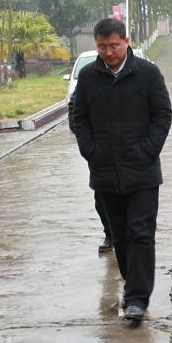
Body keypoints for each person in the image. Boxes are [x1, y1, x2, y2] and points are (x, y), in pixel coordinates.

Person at [71, 18, 172, 323]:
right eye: (102, 47)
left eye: (114, 45)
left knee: (141, 233)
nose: (108, 52)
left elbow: (163, 114)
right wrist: (91, 151)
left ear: (126, 41)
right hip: (105, 172)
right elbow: (78, 117)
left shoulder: (148, 74)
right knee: (121, 236)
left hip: (142, 172)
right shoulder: (88, 77)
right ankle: (134, 285)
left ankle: (137, 299)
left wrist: (147, 150)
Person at [67, 86, 114, 253]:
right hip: (98, 151)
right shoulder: (89, 79)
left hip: (129, 148)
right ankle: (110, 234)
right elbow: (74, 106)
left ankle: (129, 235)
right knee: (101, 197)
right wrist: (85, 141)